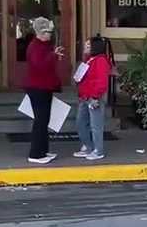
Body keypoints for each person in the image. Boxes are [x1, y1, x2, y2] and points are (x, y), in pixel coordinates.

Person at [25, 17, 64, 164]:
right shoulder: (35, 46)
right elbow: (39, 65)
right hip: (37, 88)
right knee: (40, 120)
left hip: (44, 87)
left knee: (44, 120)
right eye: (47, 32)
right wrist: (53, 55)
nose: (50, 34)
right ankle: (35, 154)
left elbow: (46, 62)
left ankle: (43, 151)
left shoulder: (44, 45)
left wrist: (54, 54)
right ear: (40, 32)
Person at [73, 36, 112, 161]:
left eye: (88, 46)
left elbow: (102, 82)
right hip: (84, 97)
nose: (85, 47)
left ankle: (98, 150)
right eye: (85, 45)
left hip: (94, 97)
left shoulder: (100, 61)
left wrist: (95, 96)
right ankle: (88, 146)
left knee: (96, 125)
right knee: (80, 122)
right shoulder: (88, 60)